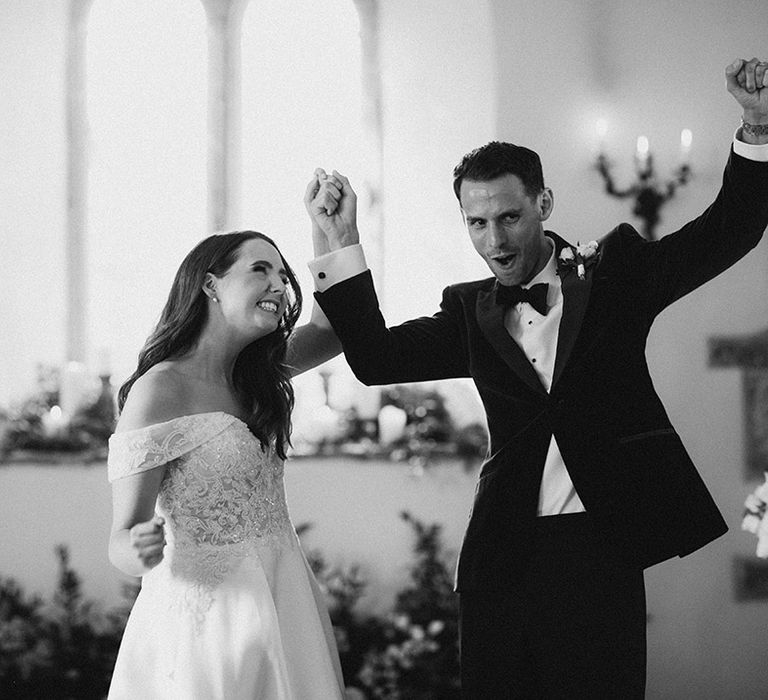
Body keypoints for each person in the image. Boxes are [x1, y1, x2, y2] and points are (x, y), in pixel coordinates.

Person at [304, 57, 768, 698]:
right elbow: (375, 358)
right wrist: (340, 240)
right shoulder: (467, 311)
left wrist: (758, 123)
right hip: (502, 557)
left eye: (510, 217)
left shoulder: (618, 279)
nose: (494, 239)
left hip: (602, 547)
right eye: (476, 222)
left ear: (543, 204)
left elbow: (730, 230)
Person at [106, 230, 346, 699]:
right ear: (211, 285)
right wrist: (136, 550)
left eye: (283, 275)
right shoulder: (160, 389)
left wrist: (333, 230)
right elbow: (120, 537)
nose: (279, 285)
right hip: (210, 620)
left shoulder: (260, 374)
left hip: (286, 598)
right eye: (260, 269)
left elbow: (334, 330)